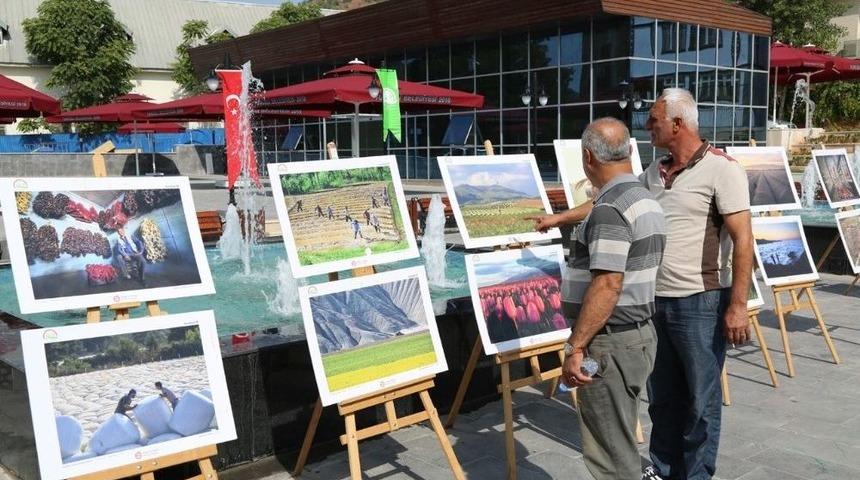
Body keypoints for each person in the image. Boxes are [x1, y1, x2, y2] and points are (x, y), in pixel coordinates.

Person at [533, 89, 753, 480]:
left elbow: (743, 239)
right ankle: (665, 469)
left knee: (701, 398)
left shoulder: (723, 169)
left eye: (654, 120)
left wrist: (737, 305)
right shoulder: (653, 172)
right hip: (653, 303)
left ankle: (697, 474)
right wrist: (559, 219)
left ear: (678, 124)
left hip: (699, 302)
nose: (647, 126)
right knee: (663, 400)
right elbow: (612, 199)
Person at [557, 118, 667, 480]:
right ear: (630, 151)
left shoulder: (608, 209)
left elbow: (607, 286)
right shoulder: (643, 198)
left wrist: (575, 346)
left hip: (611, 343)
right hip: (637, 336)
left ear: (587, 157)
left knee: (612, 457)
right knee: (621, 440)